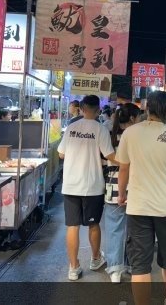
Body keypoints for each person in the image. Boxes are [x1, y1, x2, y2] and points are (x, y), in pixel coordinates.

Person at [116, 91, 166, 305]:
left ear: (147, 108)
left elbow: (124, 168)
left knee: (140, 266)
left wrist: (122, 194)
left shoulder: (131, 133)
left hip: (138, 207)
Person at [58, 95, 115, 281]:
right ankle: (95, 259)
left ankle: (74, 267)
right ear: (98, 109)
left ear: (81, 109)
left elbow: (61, 154)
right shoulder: (101, 129)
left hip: (71, 184)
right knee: (93, 224)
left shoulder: (71, 128)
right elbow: (110, 155)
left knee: (72, 226)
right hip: (92, 185)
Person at [104, 103, 141, 283]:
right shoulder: (138, 136)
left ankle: (115, 270)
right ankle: (133, 265)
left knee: (114, 229)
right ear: (133, 118)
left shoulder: (110, 135)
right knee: (134, 229)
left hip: (113, 186)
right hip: (135, 186)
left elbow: (105, 158)